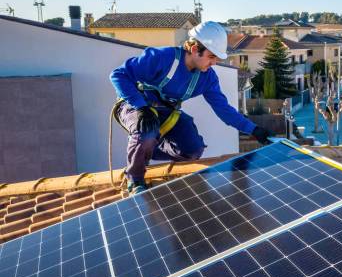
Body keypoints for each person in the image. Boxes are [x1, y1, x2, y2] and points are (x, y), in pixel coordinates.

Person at [110, 21, 271, 194]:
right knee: (147, 131)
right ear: (195, 49)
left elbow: (224, 109)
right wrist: (140, 107)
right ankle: (135, 178)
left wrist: (253, 129)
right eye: (211, 56)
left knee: (193, 149)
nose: (214, 63)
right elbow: (119, 75)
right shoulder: (163, 57)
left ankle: (146, 147)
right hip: (135, 106)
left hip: (166, 113)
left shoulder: (207, 78)